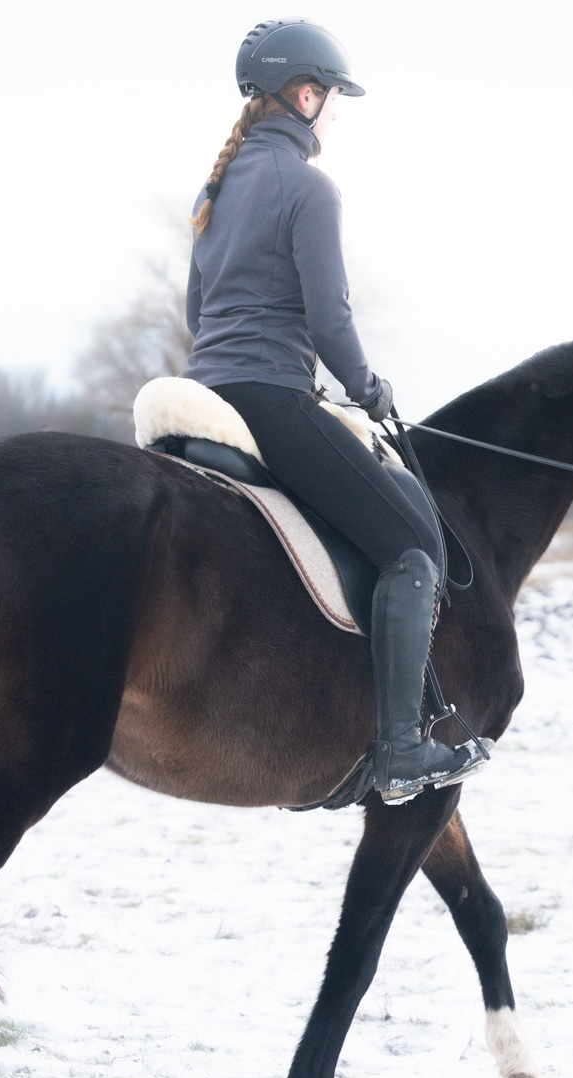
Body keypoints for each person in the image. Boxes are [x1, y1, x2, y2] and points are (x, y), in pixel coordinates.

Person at [182, 19, 490, 804]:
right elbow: (328, 321)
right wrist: (368, 387)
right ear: (307, 94)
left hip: (207, 394)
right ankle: (397, 747)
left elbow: (197, 310)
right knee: (413, 545)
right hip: (271, 397)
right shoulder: (310, 189)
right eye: (331, 98)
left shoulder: (214, 192)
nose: (333, 114)